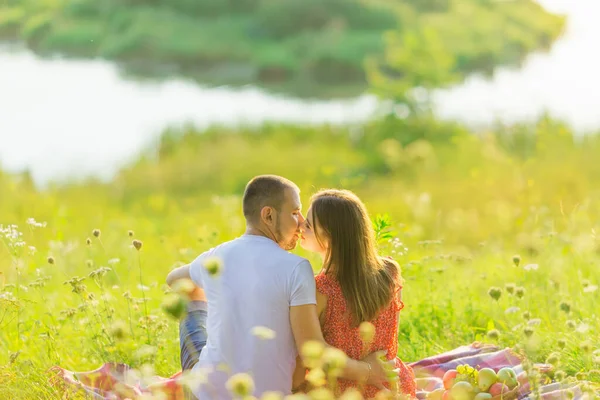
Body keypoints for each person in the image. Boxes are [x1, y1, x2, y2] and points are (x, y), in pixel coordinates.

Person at [166, 175, 395, 399]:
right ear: (268, 215)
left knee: (190, 297)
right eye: (295, 213)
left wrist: (225, 293)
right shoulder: (297, 268)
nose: (300, 223)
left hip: (205, 394)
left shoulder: (217, 256)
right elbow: (308, 350)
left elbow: (174, 280)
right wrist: (367, 371)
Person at [295, 189, 417, 398]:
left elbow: (313, 353)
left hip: (342, 392)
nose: (300, 228)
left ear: (330, 236)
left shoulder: (320, 289)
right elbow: (389, 342)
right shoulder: (390, 272)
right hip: (389, 386)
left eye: (308, 224)